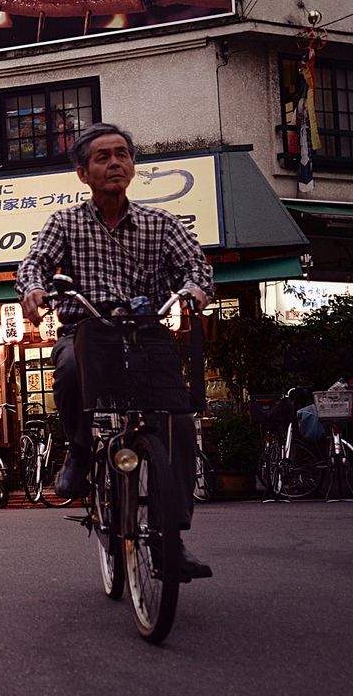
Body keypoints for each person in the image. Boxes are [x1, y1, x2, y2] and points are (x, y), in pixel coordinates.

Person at [15, 122, 213, 579]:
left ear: (133, 165)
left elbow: (195, 267)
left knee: (179, 424)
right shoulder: (65, 222)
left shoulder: (160, 224)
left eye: (122, 154)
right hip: (88, 331)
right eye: (102, 157)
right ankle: (81, 449)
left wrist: (197, 289)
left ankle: (173, 539)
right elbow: (35, 263)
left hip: (146, 334)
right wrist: (33, 290)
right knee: (65, 365)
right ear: (83, 173)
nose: (115, 163)